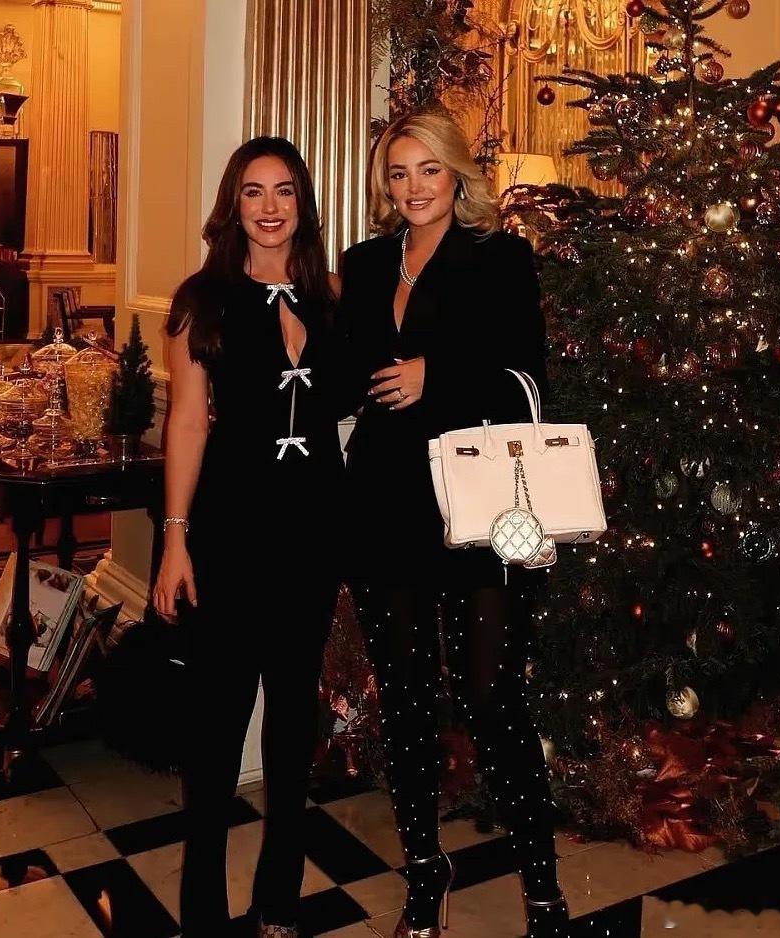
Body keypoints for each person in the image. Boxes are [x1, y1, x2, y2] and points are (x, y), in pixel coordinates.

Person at [338, 108, 568, 937]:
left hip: (481, 501)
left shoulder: (499, 257)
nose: (414, 188)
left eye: (428, 169)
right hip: (384, 499)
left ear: (457, 173)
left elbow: (527, 378)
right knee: (403, 701)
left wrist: (437, 373)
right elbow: (349, 373)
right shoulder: (365, 263)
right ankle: (423, 873)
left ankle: (541, 882)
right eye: (398, 173)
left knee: (490, 695)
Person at [152, 136, 345, 938]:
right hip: (231, 533)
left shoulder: (333, 296)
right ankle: (203, 912)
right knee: (218, 728)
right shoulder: (203, 299)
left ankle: (279, 899)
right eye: (254, 192)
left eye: (285, 191)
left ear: (303, 204)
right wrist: (175, 539)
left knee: (294, 723)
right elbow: (187, 422)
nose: (270, 207)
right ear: (233, 204)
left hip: (315, 532)